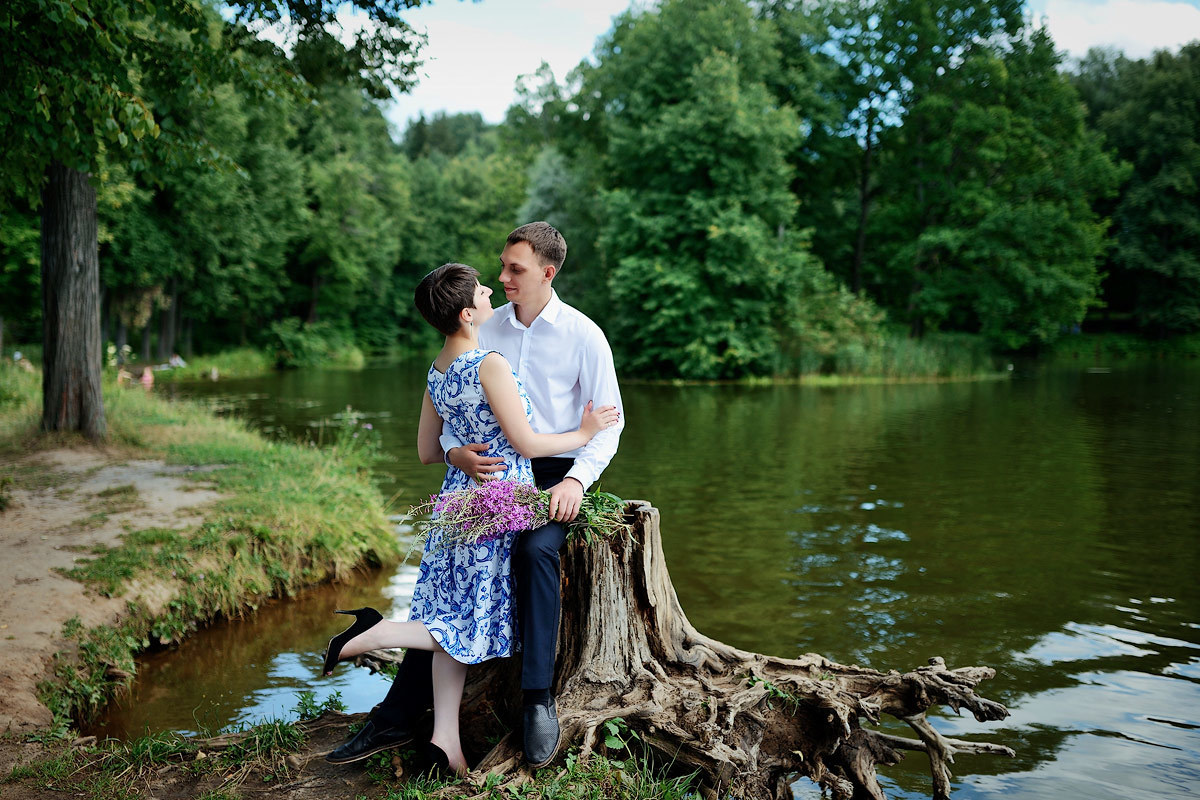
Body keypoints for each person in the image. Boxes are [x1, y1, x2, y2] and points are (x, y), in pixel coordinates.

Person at [327, 222, 624, 769]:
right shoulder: (485, 331)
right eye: (501, 267)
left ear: (547, 273)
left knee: (535, 553)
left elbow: (608, 422)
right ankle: (404, 718)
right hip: (490, 475)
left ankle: (537, 699)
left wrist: (577, 479)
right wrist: (455, 452)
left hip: (557, 468)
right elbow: (456, 411)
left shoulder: (584, 335)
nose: (502, 277)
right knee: (453, 597)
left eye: (515, 269)